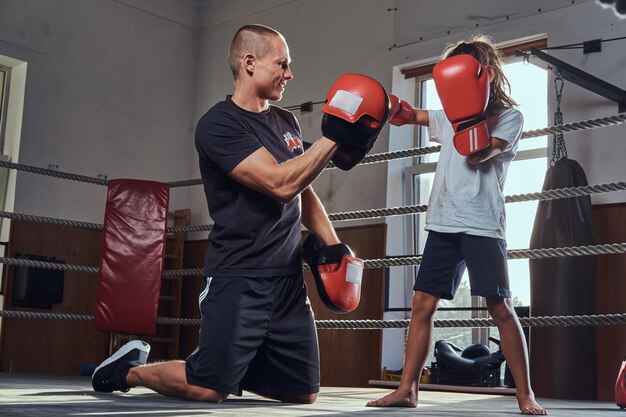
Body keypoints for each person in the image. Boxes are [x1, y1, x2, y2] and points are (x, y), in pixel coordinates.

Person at [91, 24, 385, 404]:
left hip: (286, 281)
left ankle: (230, 368)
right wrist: (334, 135)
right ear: (250, 62)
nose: (289, 74)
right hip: (239, 276)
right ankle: (129, 370)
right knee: (206, 388)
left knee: (302, 392)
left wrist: (333, 244)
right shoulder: (218, 125)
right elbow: (281, 184)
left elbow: (303, 190)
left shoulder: (286, 122)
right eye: (282, 64)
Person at [366, 35, 547, 415]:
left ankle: (524, 393)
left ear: (485, 76)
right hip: (443, 221)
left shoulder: (510, 117)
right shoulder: (447, 114)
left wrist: (468, 113)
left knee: (500, 308)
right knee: (421, 305)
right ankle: (407, 389)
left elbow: (481, 152)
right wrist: (384, 103)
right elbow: (410, 116)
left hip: (482, 224)